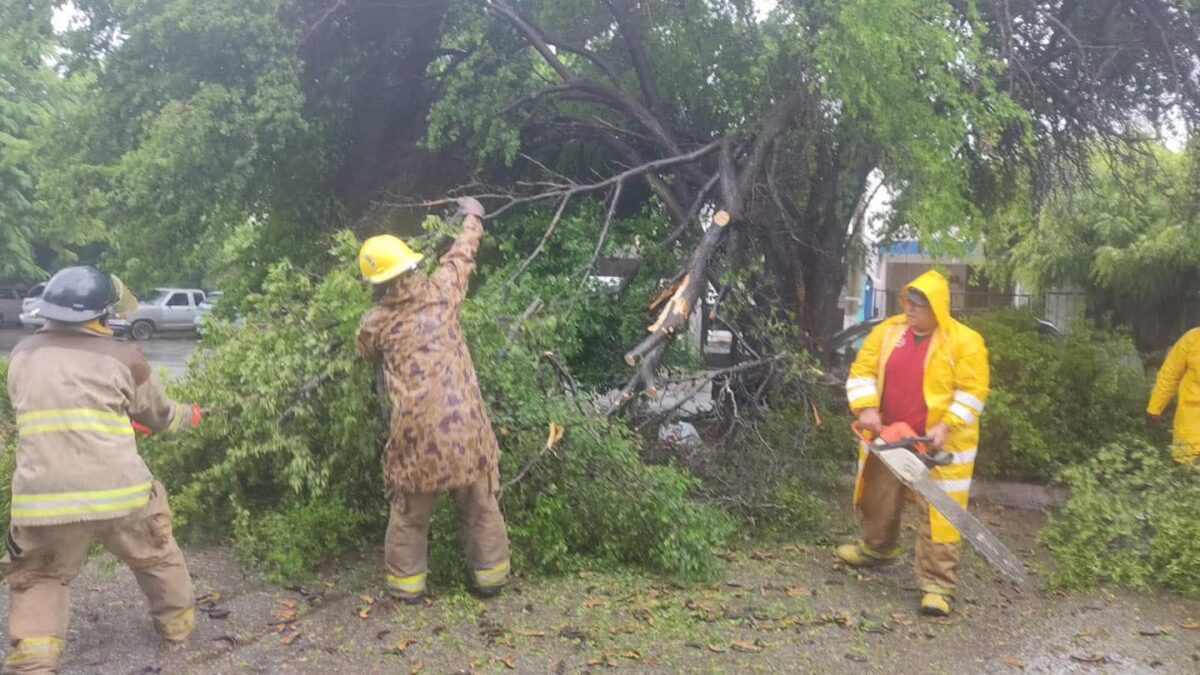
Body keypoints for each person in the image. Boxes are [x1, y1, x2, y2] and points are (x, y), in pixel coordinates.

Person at [3, 266, 202, 674]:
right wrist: (190, 415)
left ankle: (34, 663)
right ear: (101, 315)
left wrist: (115, 419)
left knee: (39, 576)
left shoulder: (21, 356)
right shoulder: (125, 357)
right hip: (122, 495)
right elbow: (161, 415)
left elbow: (60, 412)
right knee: (157, 554)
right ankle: (178, 628)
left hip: (43, 502)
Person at [355, 197, 510, 604]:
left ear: (376, 284)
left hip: (415, 439)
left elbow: (365, 353)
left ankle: (407, 589)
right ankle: (490, 580)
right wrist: (473, 216)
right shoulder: (443, 293)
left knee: (409, 515)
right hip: (466, 432)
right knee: (481, 506)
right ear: (412, 265)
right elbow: (461, 256)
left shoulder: (374, 324)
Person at [836, 270, 990, 617]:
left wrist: (946, 426)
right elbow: (861, 370)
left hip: (939, 447)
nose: (910, 308)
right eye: (907, 301)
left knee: (941, 514)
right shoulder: (887, 332)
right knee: (879, 494)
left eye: (919, 303)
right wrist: (867, 408)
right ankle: (876, 549)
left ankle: (938, 585)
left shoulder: (965, 341)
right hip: (890, 436)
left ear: (937, 307)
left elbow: (972, 391)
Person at [1147, 327, 1200, 464]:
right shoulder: (1192, 339)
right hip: (1190, 430)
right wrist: (1155, 408)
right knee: (1184, 478)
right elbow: (1170, 375)